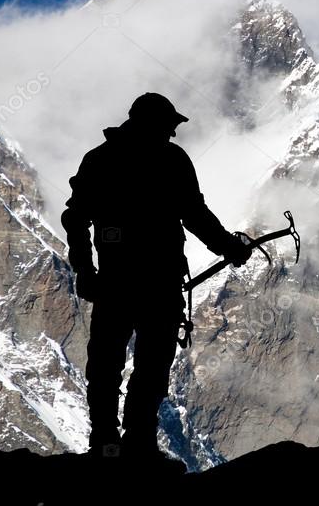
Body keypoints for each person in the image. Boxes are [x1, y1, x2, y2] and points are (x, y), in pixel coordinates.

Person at [61, 92, 251, 460]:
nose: (172, 134)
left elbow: (76, 219)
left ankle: (108, 443)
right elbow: (195, 215)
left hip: (117, 282)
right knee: (147, 365)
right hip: (157, 284)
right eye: (168, 127)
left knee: (109, 364)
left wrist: (86, 269)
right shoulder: (170, 161)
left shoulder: (100, 160)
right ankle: (136, 444)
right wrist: (229, 246)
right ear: (152, 124)